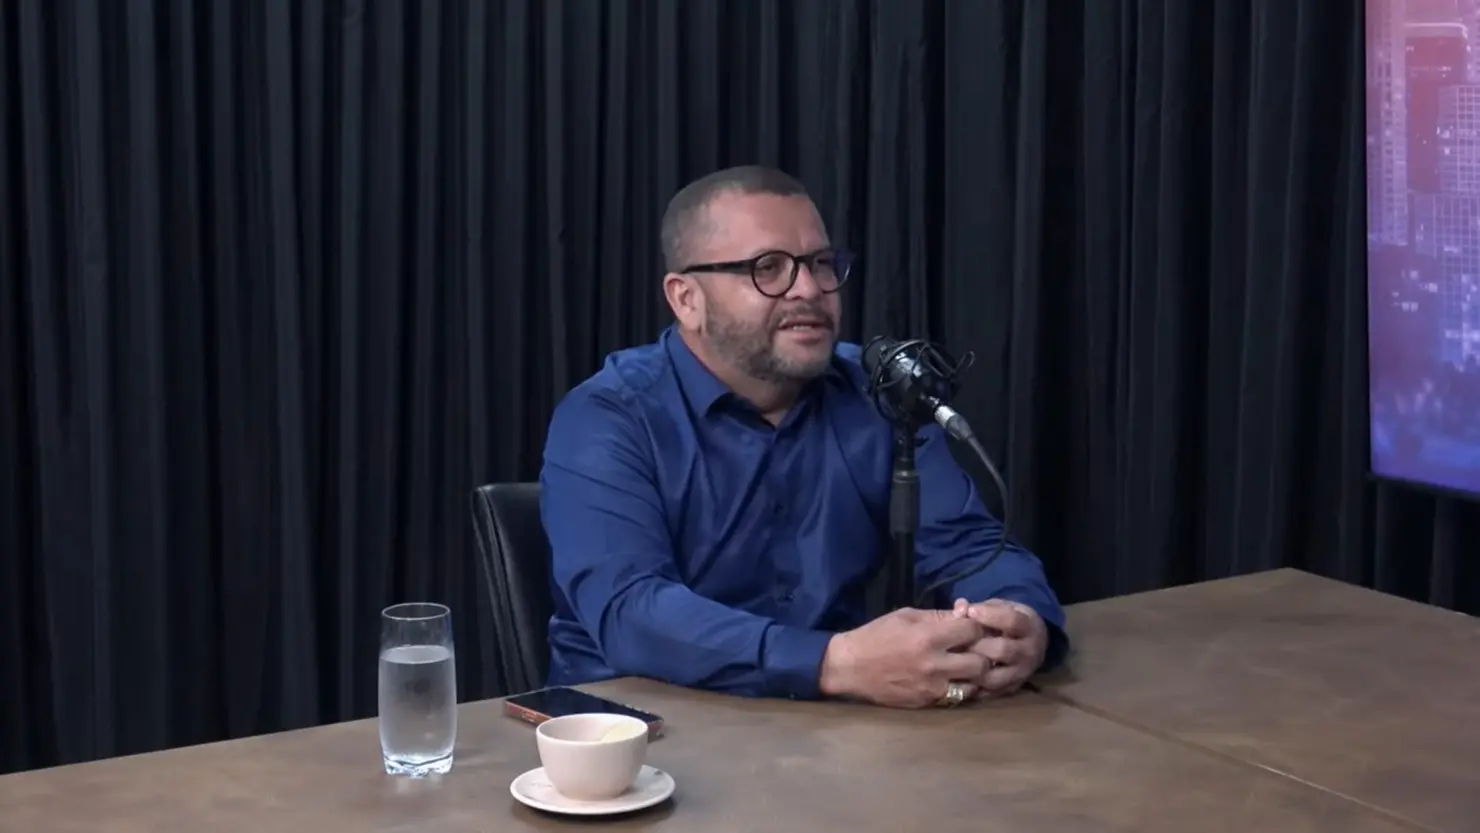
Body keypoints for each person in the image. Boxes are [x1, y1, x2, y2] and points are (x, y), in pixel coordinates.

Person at [539, 165, 1067, 709]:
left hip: (827, 722)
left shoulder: (878, 393)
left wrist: (1019, 618)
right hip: (634, 725)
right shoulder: (607, 417)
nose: (810, 289)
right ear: (686, 299)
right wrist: (832, 661)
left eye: (821, 263)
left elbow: (969, 545)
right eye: (768, 268)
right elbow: (632, 611)